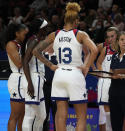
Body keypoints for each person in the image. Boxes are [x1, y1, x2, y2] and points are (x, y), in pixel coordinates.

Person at [32, 2, 98, 131]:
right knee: (81, 116)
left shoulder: (54, 34)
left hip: (59, 73)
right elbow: (94, 50)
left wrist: (50, 65)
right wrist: (86, 66)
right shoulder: (80, 34)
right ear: (76, 20)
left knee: (60, 115)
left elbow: (35, 51)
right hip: (74, 73)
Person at [22, 18, 48, 131]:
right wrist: (30, 83)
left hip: (37, 79)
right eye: (45, 27)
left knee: (42, 115)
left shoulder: (36, 39)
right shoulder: (34, 40)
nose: (47, 29)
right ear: (40, 29)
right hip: (33, 78)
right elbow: (25, 62)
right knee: (29, 115)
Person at [5, 23, 28, 131]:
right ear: (17, 33)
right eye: (24, 34)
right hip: (17, 79)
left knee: (23, 115)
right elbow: (19, 64)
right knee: (15, 115)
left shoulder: (22, 45)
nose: (26, 36)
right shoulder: (11, 44)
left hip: (24, 79)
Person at [96, 26, 119, 131]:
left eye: (112, 36)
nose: (110, 39)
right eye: (108, 37)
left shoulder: (124, 49)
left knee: (116, 108)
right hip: (105, 81)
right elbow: (98, 62)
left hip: (118, 81)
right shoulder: (105, 48)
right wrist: (101, 73)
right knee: (103, 109)